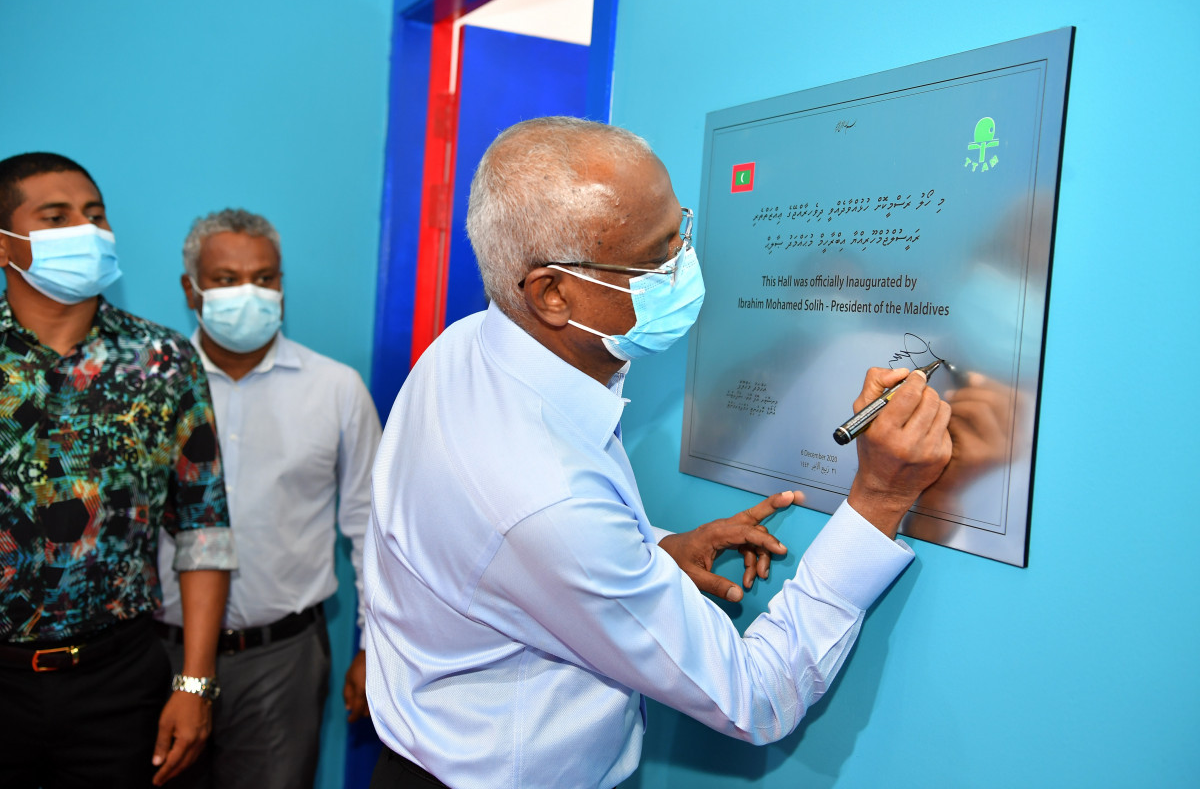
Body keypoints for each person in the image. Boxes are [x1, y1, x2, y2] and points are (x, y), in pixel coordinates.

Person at [363, 116, 953, 788]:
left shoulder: (466, 347)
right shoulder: (545, 499)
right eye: (654, 260)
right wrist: (880, 498)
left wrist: (653, 549)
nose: (684, 267)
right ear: (553, 294)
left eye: (682, 233)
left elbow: (500, 555)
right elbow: (756, 697)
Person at [0, 152, 234, 788]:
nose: (87, 230)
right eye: (56, 217)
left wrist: (195, 683)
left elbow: (205, 529)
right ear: (6, 244)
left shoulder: (162, 362)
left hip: (120, 682)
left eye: (95, 215)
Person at [155, 208, 382, 789]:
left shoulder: (335, 389)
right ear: (192, 289)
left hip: (284, 659)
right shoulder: (152, 389)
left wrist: (373, 647)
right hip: (156, 655)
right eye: (226, 279)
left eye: (264, 277)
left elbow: (372, 528)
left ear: (282, 284)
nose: (249, 293)